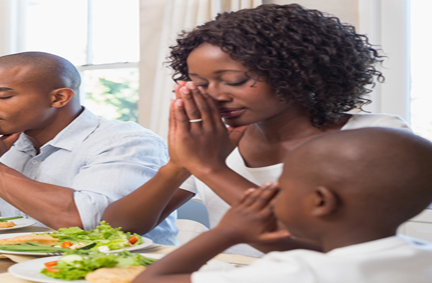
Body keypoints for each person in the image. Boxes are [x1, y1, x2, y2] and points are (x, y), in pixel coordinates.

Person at [101, 3, 410, 256]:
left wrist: (209, 167)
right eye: (201, 83)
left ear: (295, 72)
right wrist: (178, 165)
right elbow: (118, 229)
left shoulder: (376, 136)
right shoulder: (216, 141)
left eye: (234, 80)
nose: (216, 95)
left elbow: (321, 245)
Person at [0, 51, 177, 244]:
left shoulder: (126, 141)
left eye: (2, 95)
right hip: (19, 265)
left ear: (59, 98)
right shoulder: (2, 143)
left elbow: (88, 221)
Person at [134, 128, 432, 283]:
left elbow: (151, 280)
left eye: (281, 186)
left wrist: (226, 233)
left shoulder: (297, 271)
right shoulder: (420, 254)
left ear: (321, 202)